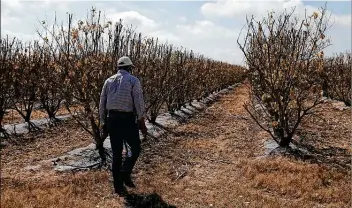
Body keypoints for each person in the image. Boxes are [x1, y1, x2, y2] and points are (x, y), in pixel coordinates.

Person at [99, 56, 148, 196]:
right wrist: (142, 123)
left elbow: (101, 103)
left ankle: (118, 185)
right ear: (129, 68)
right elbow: (138, 103)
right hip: (127, 120)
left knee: (116, 153)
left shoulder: (108, 81)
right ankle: (125, 172)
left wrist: (103, 123)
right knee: (135, 148)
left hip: (112, 120)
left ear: (118, 67)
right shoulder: (133, 80)